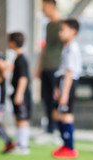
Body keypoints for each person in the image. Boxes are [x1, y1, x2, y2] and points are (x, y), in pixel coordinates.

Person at [51, 18, 82, 159]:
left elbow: (69, 72)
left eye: (63, 30)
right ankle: (65, 144)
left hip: (68, 83)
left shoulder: (72, 48)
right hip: (63, 82)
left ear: (73, 31)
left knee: (66, 115)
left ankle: (70, 147)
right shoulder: (67, 47)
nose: (60, 33)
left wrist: (65, 93)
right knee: (57, 115)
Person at [35, 0, 63, 143]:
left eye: (44, 7)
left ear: (51, 6)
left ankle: (57, 130)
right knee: (46, 99)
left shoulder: (62, 25)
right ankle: (49, 129)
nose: (43, 10)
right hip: (46, 67)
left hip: (56, 68)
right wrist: (39, 67)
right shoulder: (48, 26)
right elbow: (44, 47)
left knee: (55, 99)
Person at [8, 32, 32, 155]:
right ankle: (19, 144)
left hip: (21, 93)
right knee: (18, 118)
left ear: (13, 43)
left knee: (22, 118)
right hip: (18, 92)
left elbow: (23, 78)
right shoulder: (17, 59)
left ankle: (23, 146)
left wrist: (19, 93)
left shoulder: (21, 59)